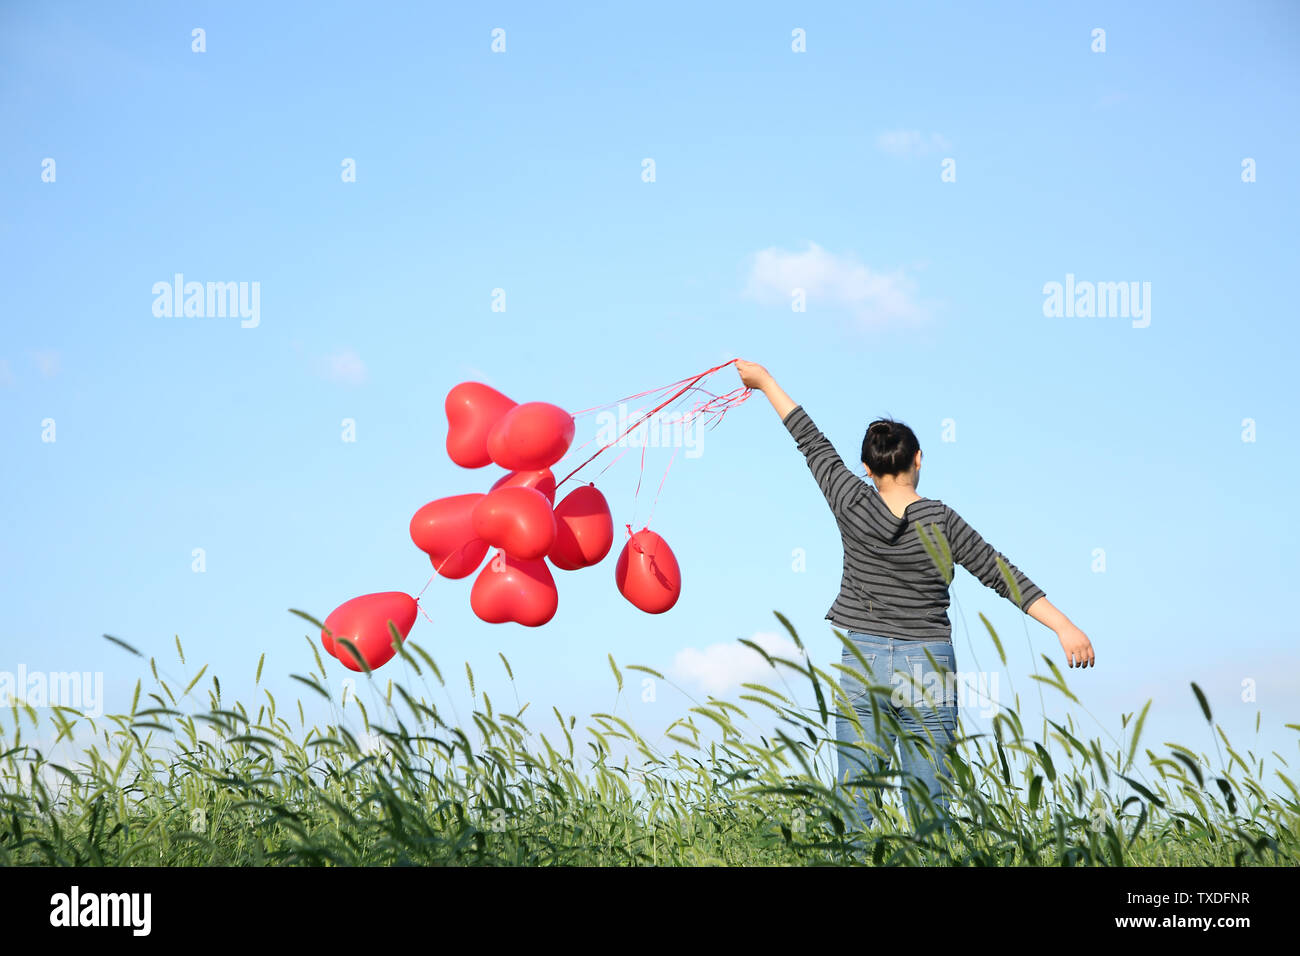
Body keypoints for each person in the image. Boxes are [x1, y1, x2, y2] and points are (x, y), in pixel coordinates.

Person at [734, 360, 1095, 839]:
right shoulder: (941, 521)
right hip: (927, 659)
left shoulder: (850, 499)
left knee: (855, 797)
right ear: (918, 459)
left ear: (866, 468)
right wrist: (1064, 626)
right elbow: (1000, 573)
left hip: (862, 660)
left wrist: (765, 383)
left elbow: (811, 442)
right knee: (931, 802)